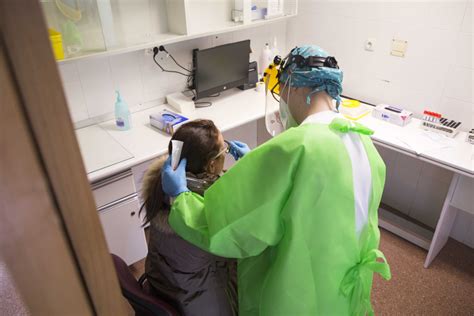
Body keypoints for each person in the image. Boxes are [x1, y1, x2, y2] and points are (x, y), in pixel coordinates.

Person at [161, 45, 391, 316]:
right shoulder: (364, 142)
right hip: (342, 288)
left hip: (298, 292)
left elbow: (226, 227)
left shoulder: (292, 149)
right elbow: (313, 201)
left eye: (280, 91)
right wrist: (257, 166)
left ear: (293, 86)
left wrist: (180, 198)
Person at [140, 119, 238, 316]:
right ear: (211, 166)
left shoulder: (161, 188)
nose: (226, 154)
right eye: (224, 151)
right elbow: (240, 244)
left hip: (166, 285)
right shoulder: (202, 215)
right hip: (201, 301)